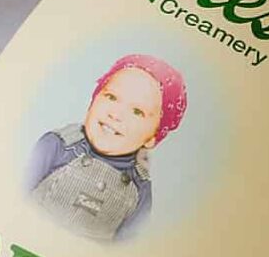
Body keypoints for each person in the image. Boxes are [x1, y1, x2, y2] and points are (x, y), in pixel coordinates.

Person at [25, 54, 188, 243]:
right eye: (111, 97)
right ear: (93, 100)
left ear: (153, 137)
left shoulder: (140, 189)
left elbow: (127, 245)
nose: (116, 114)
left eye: (137, 111)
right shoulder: (57, 145)